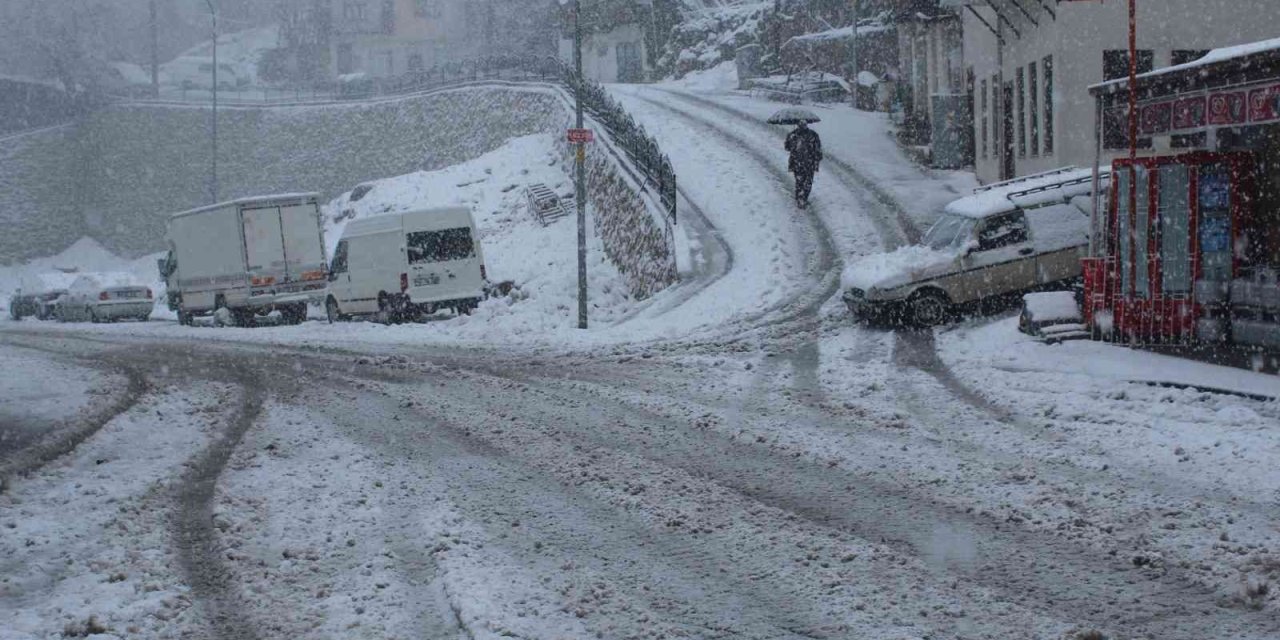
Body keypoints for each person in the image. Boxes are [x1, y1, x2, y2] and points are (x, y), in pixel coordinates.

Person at [785, 121, 823, 208]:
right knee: (807, 181)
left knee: (799, 180)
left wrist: (790, 139)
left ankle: (800, 196)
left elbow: (787, 148)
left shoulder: (793, 134)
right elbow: (818, 149)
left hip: (797, 162)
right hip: (809, 162)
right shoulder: (813, 135)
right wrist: (817, 159)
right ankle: (803, 197)